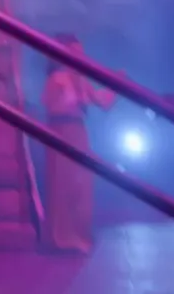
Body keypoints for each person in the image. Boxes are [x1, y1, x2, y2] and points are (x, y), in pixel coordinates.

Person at [41, 33, 117, 254]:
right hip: (61, 130)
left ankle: (79, 232)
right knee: (62, 183)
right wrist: (76, 97)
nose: (79, 56)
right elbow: (52, 105)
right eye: (74, 51)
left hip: (78, 131)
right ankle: (62, 237)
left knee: (81, 182)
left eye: (80, 52)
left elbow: (100, 101)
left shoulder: (81, 79)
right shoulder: (57, 79)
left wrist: (114, 86)